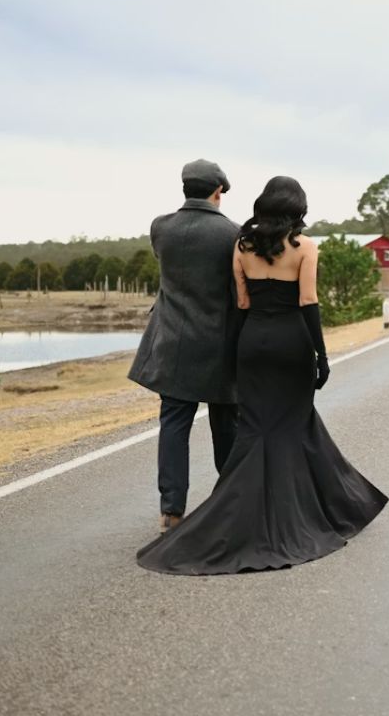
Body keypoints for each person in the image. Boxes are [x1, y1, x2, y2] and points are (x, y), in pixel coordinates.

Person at [136, 176, 387, 575]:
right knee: (295, 425)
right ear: (297, 208)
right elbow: (308, 301)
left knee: (254, 429)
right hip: (291, 343)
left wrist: (236, 355)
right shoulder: (305, 247)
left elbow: (241, 302)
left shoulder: (241, 245)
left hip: (252, 344)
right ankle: (304, 510)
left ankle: (224, 507)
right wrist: (321, 355)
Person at [128, 159, 242, 534]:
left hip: (173, 344)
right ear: (217, 192)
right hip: (218, 344)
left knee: (174, 426)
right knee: (225, 425)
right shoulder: (233, 234)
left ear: (185, 189)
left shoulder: (161, 228)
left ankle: (171, 511)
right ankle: (228, 504)